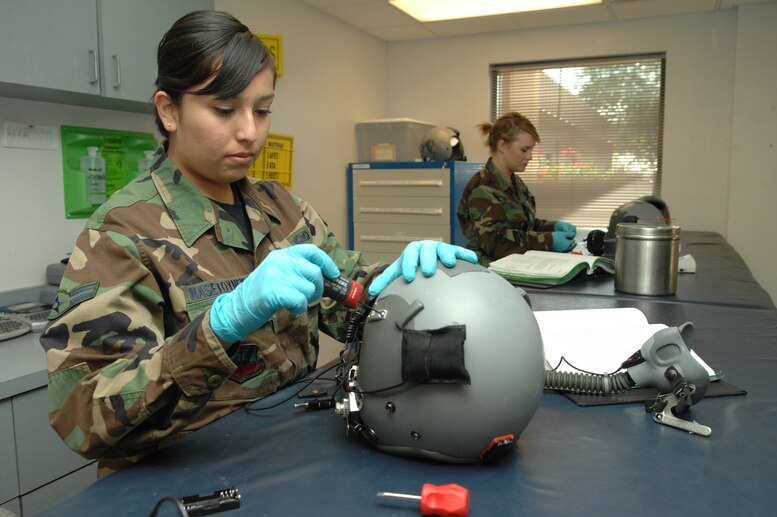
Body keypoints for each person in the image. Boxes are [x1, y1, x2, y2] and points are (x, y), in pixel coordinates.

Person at [40, 10, 476, 477]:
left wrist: (403, 284)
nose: (250, 132)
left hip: (291, 457)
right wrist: (218, 327)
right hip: (181, 481)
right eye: (224, 110)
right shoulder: (121, 233)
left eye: (262, 110)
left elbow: (352, 304)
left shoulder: (283, 209)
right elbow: (83, 416)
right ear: (169, 111)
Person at [457, 112, 577, 266]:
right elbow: (496, 243)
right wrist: (548, 241)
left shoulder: (515, 183)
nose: (530, 156)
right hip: (491, 271)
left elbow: (525, 225)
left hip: (517, 266)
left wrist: (553, 227)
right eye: (524, 150)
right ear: (502, 146)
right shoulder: (482, 188)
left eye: (531, 150)